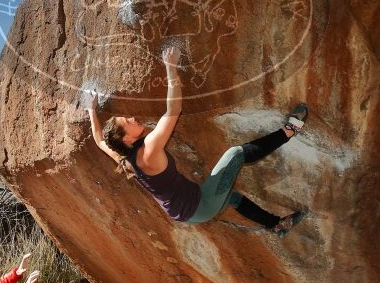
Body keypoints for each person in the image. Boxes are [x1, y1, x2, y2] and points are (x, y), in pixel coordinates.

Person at [87, 46, 307, 238]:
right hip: (200, 206)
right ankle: (289, 131)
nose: (132, 118)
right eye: (127, 121)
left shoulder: (125, 158)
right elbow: (174, 109)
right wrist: (170, 68)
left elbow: (99, 141)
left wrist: (91, 110)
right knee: (235, 154)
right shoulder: (149, 150)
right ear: (127, 137)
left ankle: (277, 225)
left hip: (189, 213)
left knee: (231, 196)